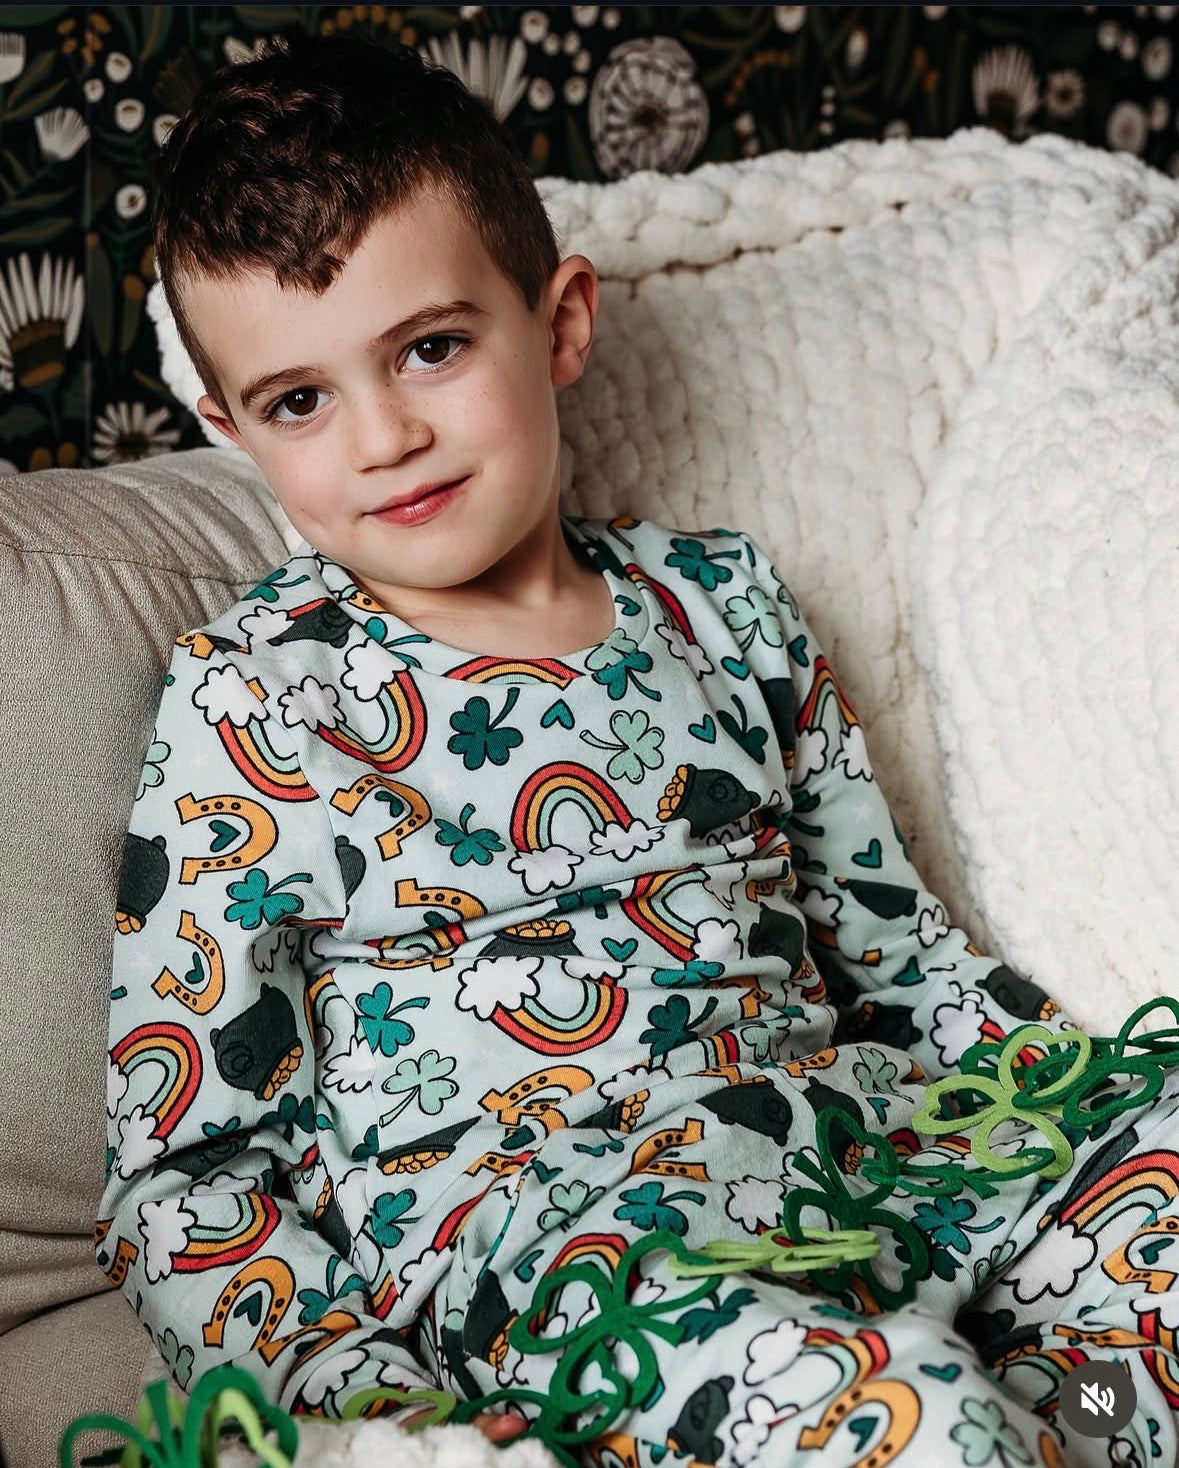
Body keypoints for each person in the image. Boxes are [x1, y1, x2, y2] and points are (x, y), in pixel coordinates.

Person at [99, 27, 1179, 1468]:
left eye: (431, 349)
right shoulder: (255, 702)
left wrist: (1076, 1107)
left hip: (864, 1166)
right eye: (301, 400)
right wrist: (365, 1404)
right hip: (590, 1277)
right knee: (899, 1411)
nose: (385, 435)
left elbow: (902, 954)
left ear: (559, 325)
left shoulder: (723, 604)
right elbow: (186, 1170)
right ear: (233, 428)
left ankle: (1064, 1426)